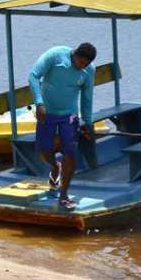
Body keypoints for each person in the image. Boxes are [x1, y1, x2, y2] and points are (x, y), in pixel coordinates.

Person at [28, 43, 96, 210]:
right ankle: (55, 166)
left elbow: (87, 97)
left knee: (70, 153)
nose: (82, 67)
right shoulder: (56, 55)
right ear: (75, 55)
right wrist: (38, 103)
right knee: (44, 150)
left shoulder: (88, 70)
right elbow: (33, 76)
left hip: (70, 115)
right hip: (47, 112)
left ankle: (64, 194)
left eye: (86, 65)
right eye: (81, 63)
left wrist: (88, 123)